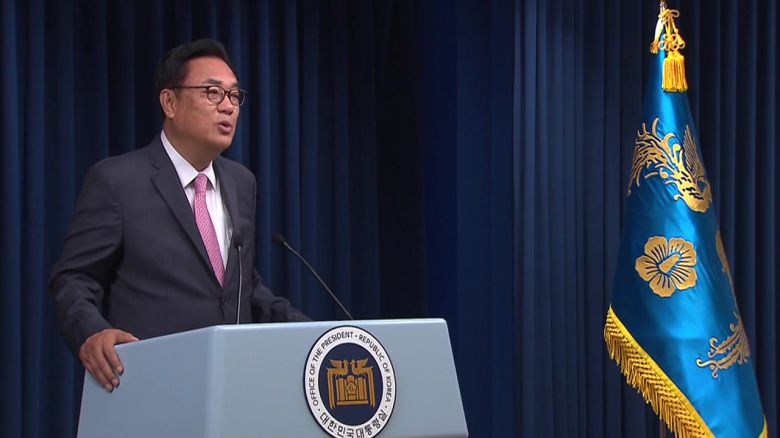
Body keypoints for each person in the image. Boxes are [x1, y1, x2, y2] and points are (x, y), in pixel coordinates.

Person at [49, 39, 308, 393]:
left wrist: (316, 334)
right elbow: (73, 278)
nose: (228, 107)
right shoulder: (118, 181)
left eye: (235, 96)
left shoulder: (241, 183)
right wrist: (92, 333)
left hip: (231, 389)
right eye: (212, 93)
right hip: (149, 386)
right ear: (170, 102)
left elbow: (241, 288)